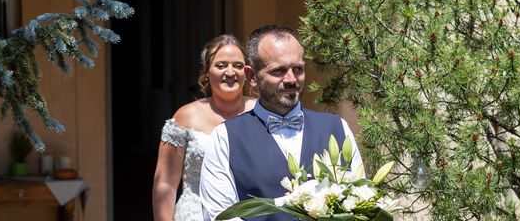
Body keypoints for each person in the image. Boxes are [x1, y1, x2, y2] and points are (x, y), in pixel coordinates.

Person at [200, 25, 363, 221]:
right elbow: (220, 215)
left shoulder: (336, 128)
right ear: (252, 76)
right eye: (279, 71)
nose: (291, 79)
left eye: (298, 69)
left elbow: (359, 201)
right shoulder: (226, 137)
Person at [152, 34, 256, 221]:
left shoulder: (261, 113)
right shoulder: (185, 116)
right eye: (221, 65)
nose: (230, 72)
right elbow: (165, 183)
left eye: (238, 66)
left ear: (248, 73)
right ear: (207, 72)